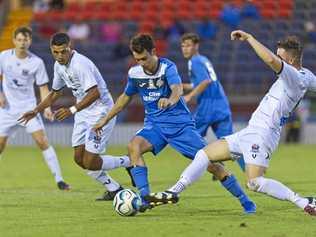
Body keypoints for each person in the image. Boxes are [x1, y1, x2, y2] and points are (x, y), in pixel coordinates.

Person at [148, 30, 316, 216]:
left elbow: (269, 60)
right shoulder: (306, 75)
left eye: (280, 57)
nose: (277, 59)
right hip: (251, 131)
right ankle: (173, 192)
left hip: (263, 134)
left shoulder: (294, 77)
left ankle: (303, 201)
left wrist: (250, 38)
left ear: (291, 61)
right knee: (204, 154)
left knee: (255, 182)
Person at [93, 33, 256, 213]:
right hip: (154, 126)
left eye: (144, 58)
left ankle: (245, 200)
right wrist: (105, 119)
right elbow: (125, 97)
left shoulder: (167, 67)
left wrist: (170, 100)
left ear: (154, 51)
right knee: (134, 146)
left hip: (180, 127)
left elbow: (177, 89)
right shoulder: (135, 73)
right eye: (137, 59)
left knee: (212, 165)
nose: (141, 63)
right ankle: (145, 198)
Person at [18, 32, 131, 200]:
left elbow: (95, 93)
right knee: (79, 159)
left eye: (63, 51)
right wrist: (36, 110)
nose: (60, 56)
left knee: (91, 161)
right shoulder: (59, 65)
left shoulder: (80, 64)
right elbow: (55, 93)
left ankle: (129, 162)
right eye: (55, 52)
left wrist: (71, 110)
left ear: (70, 47)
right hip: (83, 113)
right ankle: (114, 188)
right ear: (52, 50)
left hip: (101, 112)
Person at [0, 26, 69, 190]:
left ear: (30, 41)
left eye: (26, 40)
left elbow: (43, 88)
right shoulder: (3, 57)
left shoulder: (36, 62)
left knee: (42, 141)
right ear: (14, 41)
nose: (22, 43)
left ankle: (60, 180)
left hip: (28, 110)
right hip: (7, 110)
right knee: (0, 145)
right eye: (19, 40)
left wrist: (46, 108)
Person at [180, 33, 245, 171]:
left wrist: (189, 96)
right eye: (183, 46)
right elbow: (199, 83)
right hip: (221, 104)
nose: (185, 49)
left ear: (196, 46)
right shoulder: (203, 59)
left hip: (208, 105)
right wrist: (183, 86)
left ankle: (214, 165)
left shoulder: (195, 61)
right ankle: (251, 171)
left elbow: (205, 81)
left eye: (188, 45)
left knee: (189, 136)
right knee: (231, 144)